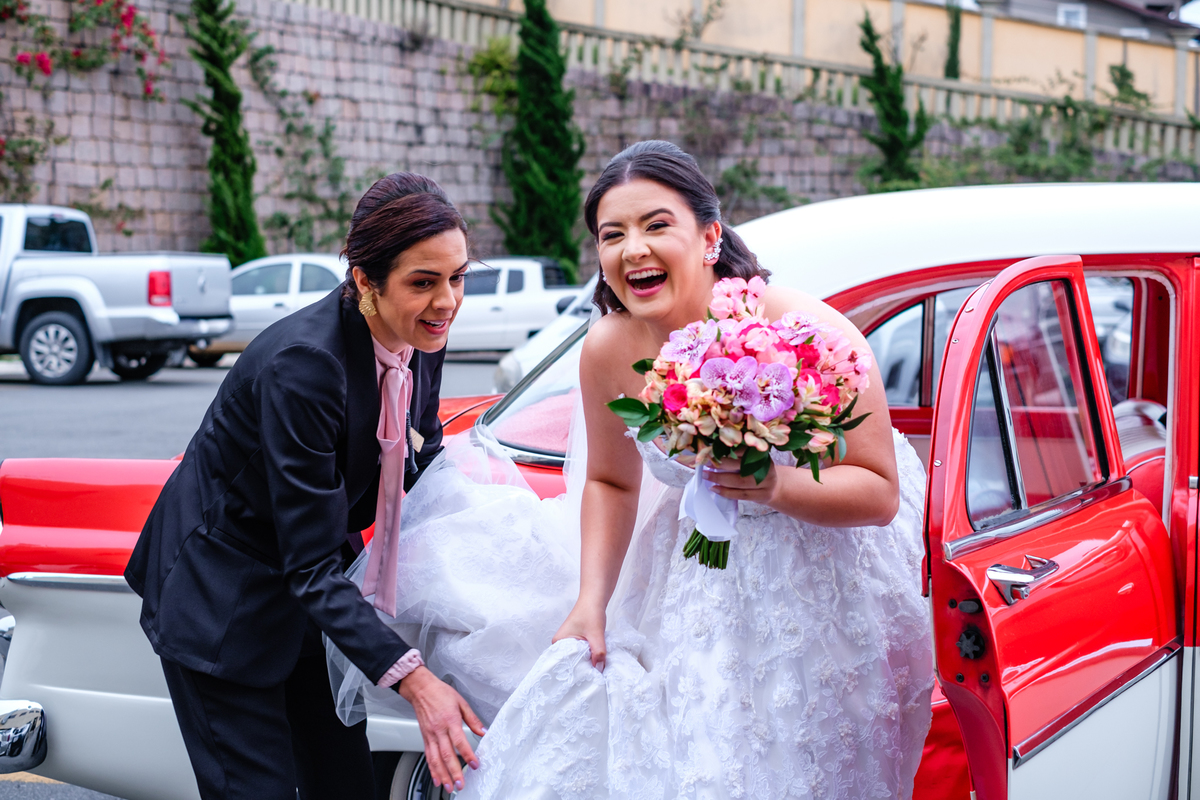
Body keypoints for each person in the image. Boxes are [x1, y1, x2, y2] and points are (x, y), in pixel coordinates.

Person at [331, 142, 934, 798]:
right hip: (699, 577)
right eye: (611, 235)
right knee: (706, 760)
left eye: (655, 225)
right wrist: (592, 602)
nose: (632, 249)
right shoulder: (610, 348)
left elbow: (878, 492)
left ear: (709, 238)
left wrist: (775, 484)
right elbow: (611, 481)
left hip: (823, 582)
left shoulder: (800, 329)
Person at [125, 173, 485, 800]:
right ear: (364, 281)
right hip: (223, 599)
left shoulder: (421, 332)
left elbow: (426, 460)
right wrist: (417, 681)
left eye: (457, 277)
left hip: (310, 599)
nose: (448, 301)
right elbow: (311, 563)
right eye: (423, 282)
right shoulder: (305, 367)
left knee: (343, 784)